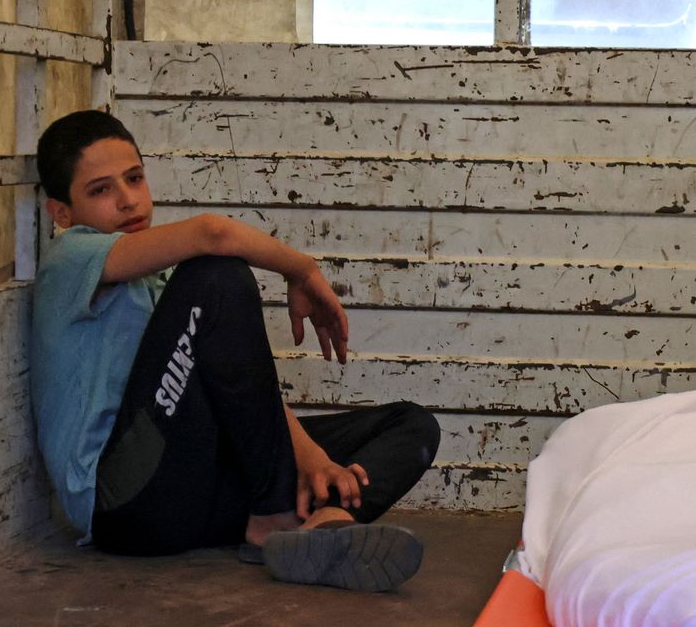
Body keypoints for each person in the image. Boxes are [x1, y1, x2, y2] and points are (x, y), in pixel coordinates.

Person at [28, 109, 440, 592]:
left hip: (198, 494)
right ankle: (274, 514)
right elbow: (214, 234)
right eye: (101, 190)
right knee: (217, 273)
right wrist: (302, 270)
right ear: (62, 212)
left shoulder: (157, 279)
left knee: (410, 425)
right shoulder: (69, 260)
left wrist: (311, 461)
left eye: (135, 178)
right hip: (126, 504)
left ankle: (324, 523)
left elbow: (241, 389)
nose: (127, 200)